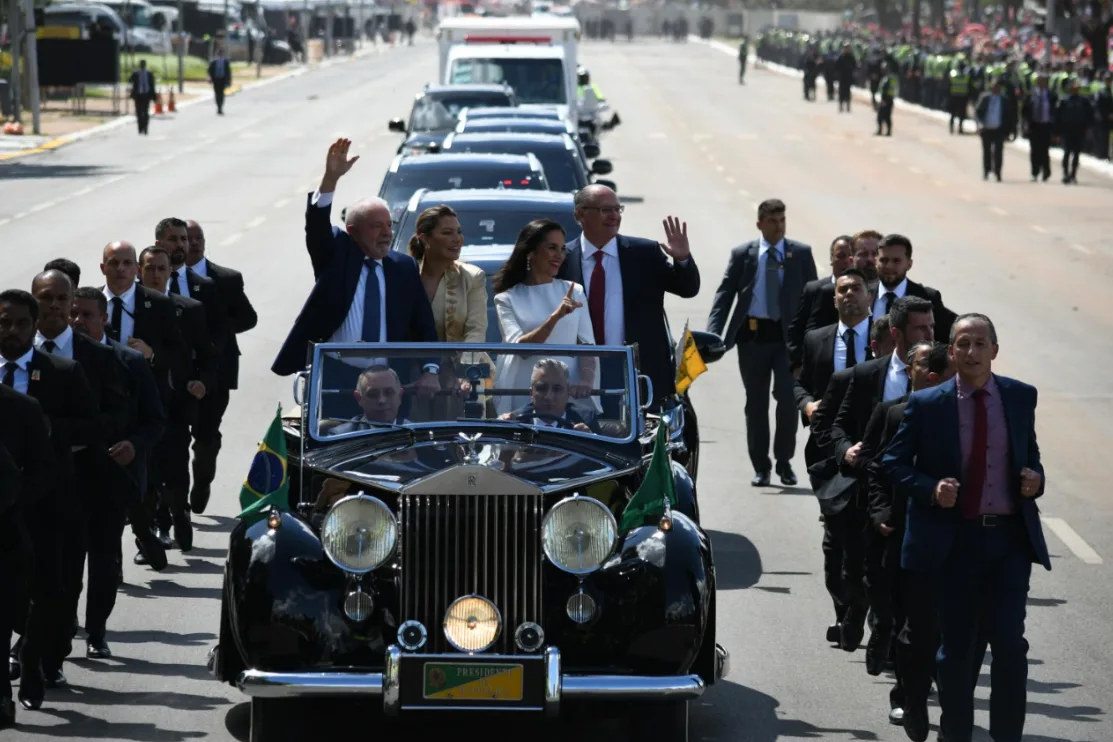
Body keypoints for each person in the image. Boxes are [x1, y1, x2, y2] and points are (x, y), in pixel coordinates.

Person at [882, 313, 1048, 742]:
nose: (971, 353)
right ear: (951, 351)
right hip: (955, 542)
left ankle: (1006, 735)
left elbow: (1030, 456)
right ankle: (955, 734)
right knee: (956, 649)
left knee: (1010, 643)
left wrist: (1036, 479)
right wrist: (930, 488)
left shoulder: (1019, 396)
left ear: (994, 350)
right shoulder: (928, 404)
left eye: (980, 344)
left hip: (1008, 541)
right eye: (963, 344)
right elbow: (892, 464)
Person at [272, 139, 439, 397]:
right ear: (353, 232)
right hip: (339, 378)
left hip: (392, 382)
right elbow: (317, 226)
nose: (387, 233)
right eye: (376, 226)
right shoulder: (337, 255)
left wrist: (430, 370)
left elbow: (423, 323)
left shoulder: (403, 267)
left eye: (388, 225)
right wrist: (331, 178)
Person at [860, 341, 954, 728]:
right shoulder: (895, 415)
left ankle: (932, 692)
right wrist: (881, 513)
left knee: (942, 627)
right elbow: (877, 469)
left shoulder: (970, 419)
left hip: (952, 542)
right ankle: (906, 696)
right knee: (909, 627)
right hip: (901, 538)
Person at [558, 184, 697, 412]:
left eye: (617, 209)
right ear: (581, 214)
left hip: (636, 376)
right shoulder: (562, 259)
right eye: (605, 210)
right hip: (578, 379)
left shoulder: (644, 253)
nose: (614, 216)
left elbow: (687, 288)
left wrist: (682, 260)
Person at [707, 199, 817, 487]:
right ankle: (761, 466)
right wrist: (715, 333)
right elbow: (724, 295)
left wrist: (815, 336)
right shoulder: (744, 254)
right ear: (759, 224)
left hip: (788, 342)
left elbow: (813, 297)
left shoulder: (800, 254)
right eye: (772, 220)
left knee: (787, 400)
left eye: (782, 219)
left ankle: (784, 461)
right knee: (755, 404)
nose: (778, 225)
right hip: (752, 339)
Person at [183, 219, 257, 514]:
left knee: (206, 435)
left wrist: (217, 328)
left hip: (216, 371)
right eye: (188, 238)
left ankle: (201, 482)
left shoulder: (226, 279)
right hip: (173, 371)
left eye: (198, 237)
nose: (194, 243)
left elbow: (248, 318)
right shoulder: (156, 277)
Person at [493, 219, 598, 416]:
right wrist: (555, 317)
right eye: (552, 248)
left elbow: (587, 345)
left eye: (562, 249)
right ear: (530, 252)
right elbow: (520, 349)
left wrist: (585, 381)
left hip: (567, 394)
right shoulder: (507, 298)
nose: (559, 255)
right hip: (524, 394)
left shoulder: (574, 291)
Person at [502, 358, 601, 433]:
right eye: (541, 388)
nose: (548, 396)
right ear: (531, 393)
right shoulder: (516, 422)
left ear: (568, 393)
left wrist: (589, 441)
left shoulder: (586, 418)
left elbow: (601, 457)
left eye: (557, 389)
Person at [328, 365, 411, 434]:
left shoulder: (418, 433)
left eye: (388, 393)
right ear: (359, 398)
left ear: (400, 396)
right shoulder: (340, 436)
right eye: (373, 394)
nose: (381, 400)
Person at [975, 79, 1010, 181]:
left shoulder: (1004, 100)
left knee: (998, 152)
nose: (996, 88)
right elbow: (977, 112)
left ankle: (998, 172)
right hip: (986, 129)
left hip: (999, 129)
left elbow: (1009, 117)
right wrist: (980, 125)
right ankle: (986, 170)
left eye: (998, 87)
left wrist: (1008, 132)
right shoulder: (985, 98)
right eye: (994, 86)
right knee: (987, 151)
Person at [127, 59, 156, 135]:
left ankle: (145, 128)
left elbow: (152, 85)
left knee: (145, 112)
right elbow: (129, 81)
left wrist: (154, 96)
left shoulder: (149, 74)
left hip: (146, 95)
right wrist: (130, 90)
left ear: (145, 65)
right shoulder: (136, 73)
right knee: (139, 112)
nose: (143, 65)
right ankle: (140, 128)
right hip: (138, 95)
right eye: (142, 64)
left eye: (143, 64)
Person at [208, 45, 233, 115]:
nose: (220, 54)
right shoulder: (213, 61)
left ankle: (220, 107)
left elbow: (228, 72)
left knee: (221, 94)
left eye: (221, 53)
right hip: (216, 79)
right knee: (216, 93)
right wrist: (209, 78)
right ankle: (218, 106)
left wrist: (229, 81)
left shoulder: (226, 62)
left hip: (223, 79)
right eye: (219, 53)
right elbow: (209, 70)